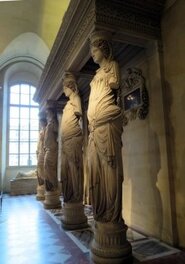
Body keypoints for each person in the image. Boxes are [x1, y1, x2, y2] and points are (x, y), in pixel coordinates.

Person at [87, 31, 124, 223]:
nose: (92, 53)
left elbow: (116, 85)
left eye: (95, 49)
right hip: (94, 128)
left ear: (103, 49)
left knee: (110, 168)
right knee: (95, 169)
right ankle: (101, 210)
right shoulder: (95, 75)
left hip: (107, 124)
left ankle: (112, 212)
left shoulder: (112, 66)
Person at [60, 72, 83, 203]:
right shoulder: (68, 104)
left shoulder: (76, 100)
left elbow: (79, 112)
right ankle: (69, 194)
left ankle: (77, 195)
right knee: (66, 170)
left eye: (65, 88)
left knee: (74, 168)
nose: (64, 91)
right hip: (66, 140)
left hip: (73, 138)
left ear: (71, 87)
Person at [44, 107, 58, 192]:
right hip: (48, 148)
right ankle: (49, 186)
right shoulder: (48, 123)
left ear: (52, 113)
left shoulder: (53, 122)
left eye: (48, 113)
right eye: (47, 113)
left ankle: (53, 186)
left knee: (50, 168)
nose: (47, 115)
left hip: (52, 148)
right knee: (46, 167)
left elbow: (57, 131)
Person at [36, 117, 47, 199]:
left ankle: (44, 185)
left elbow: (47, 142)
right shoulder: (41, 132)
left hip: (44, 152)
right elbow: (39, 143)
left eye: (41, 123)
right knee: (39, 169)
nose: (40, 124)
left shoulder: (46, 131)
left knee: (43, 169)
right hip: (40, 152)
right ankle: (41, 184)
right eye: (40, 123)